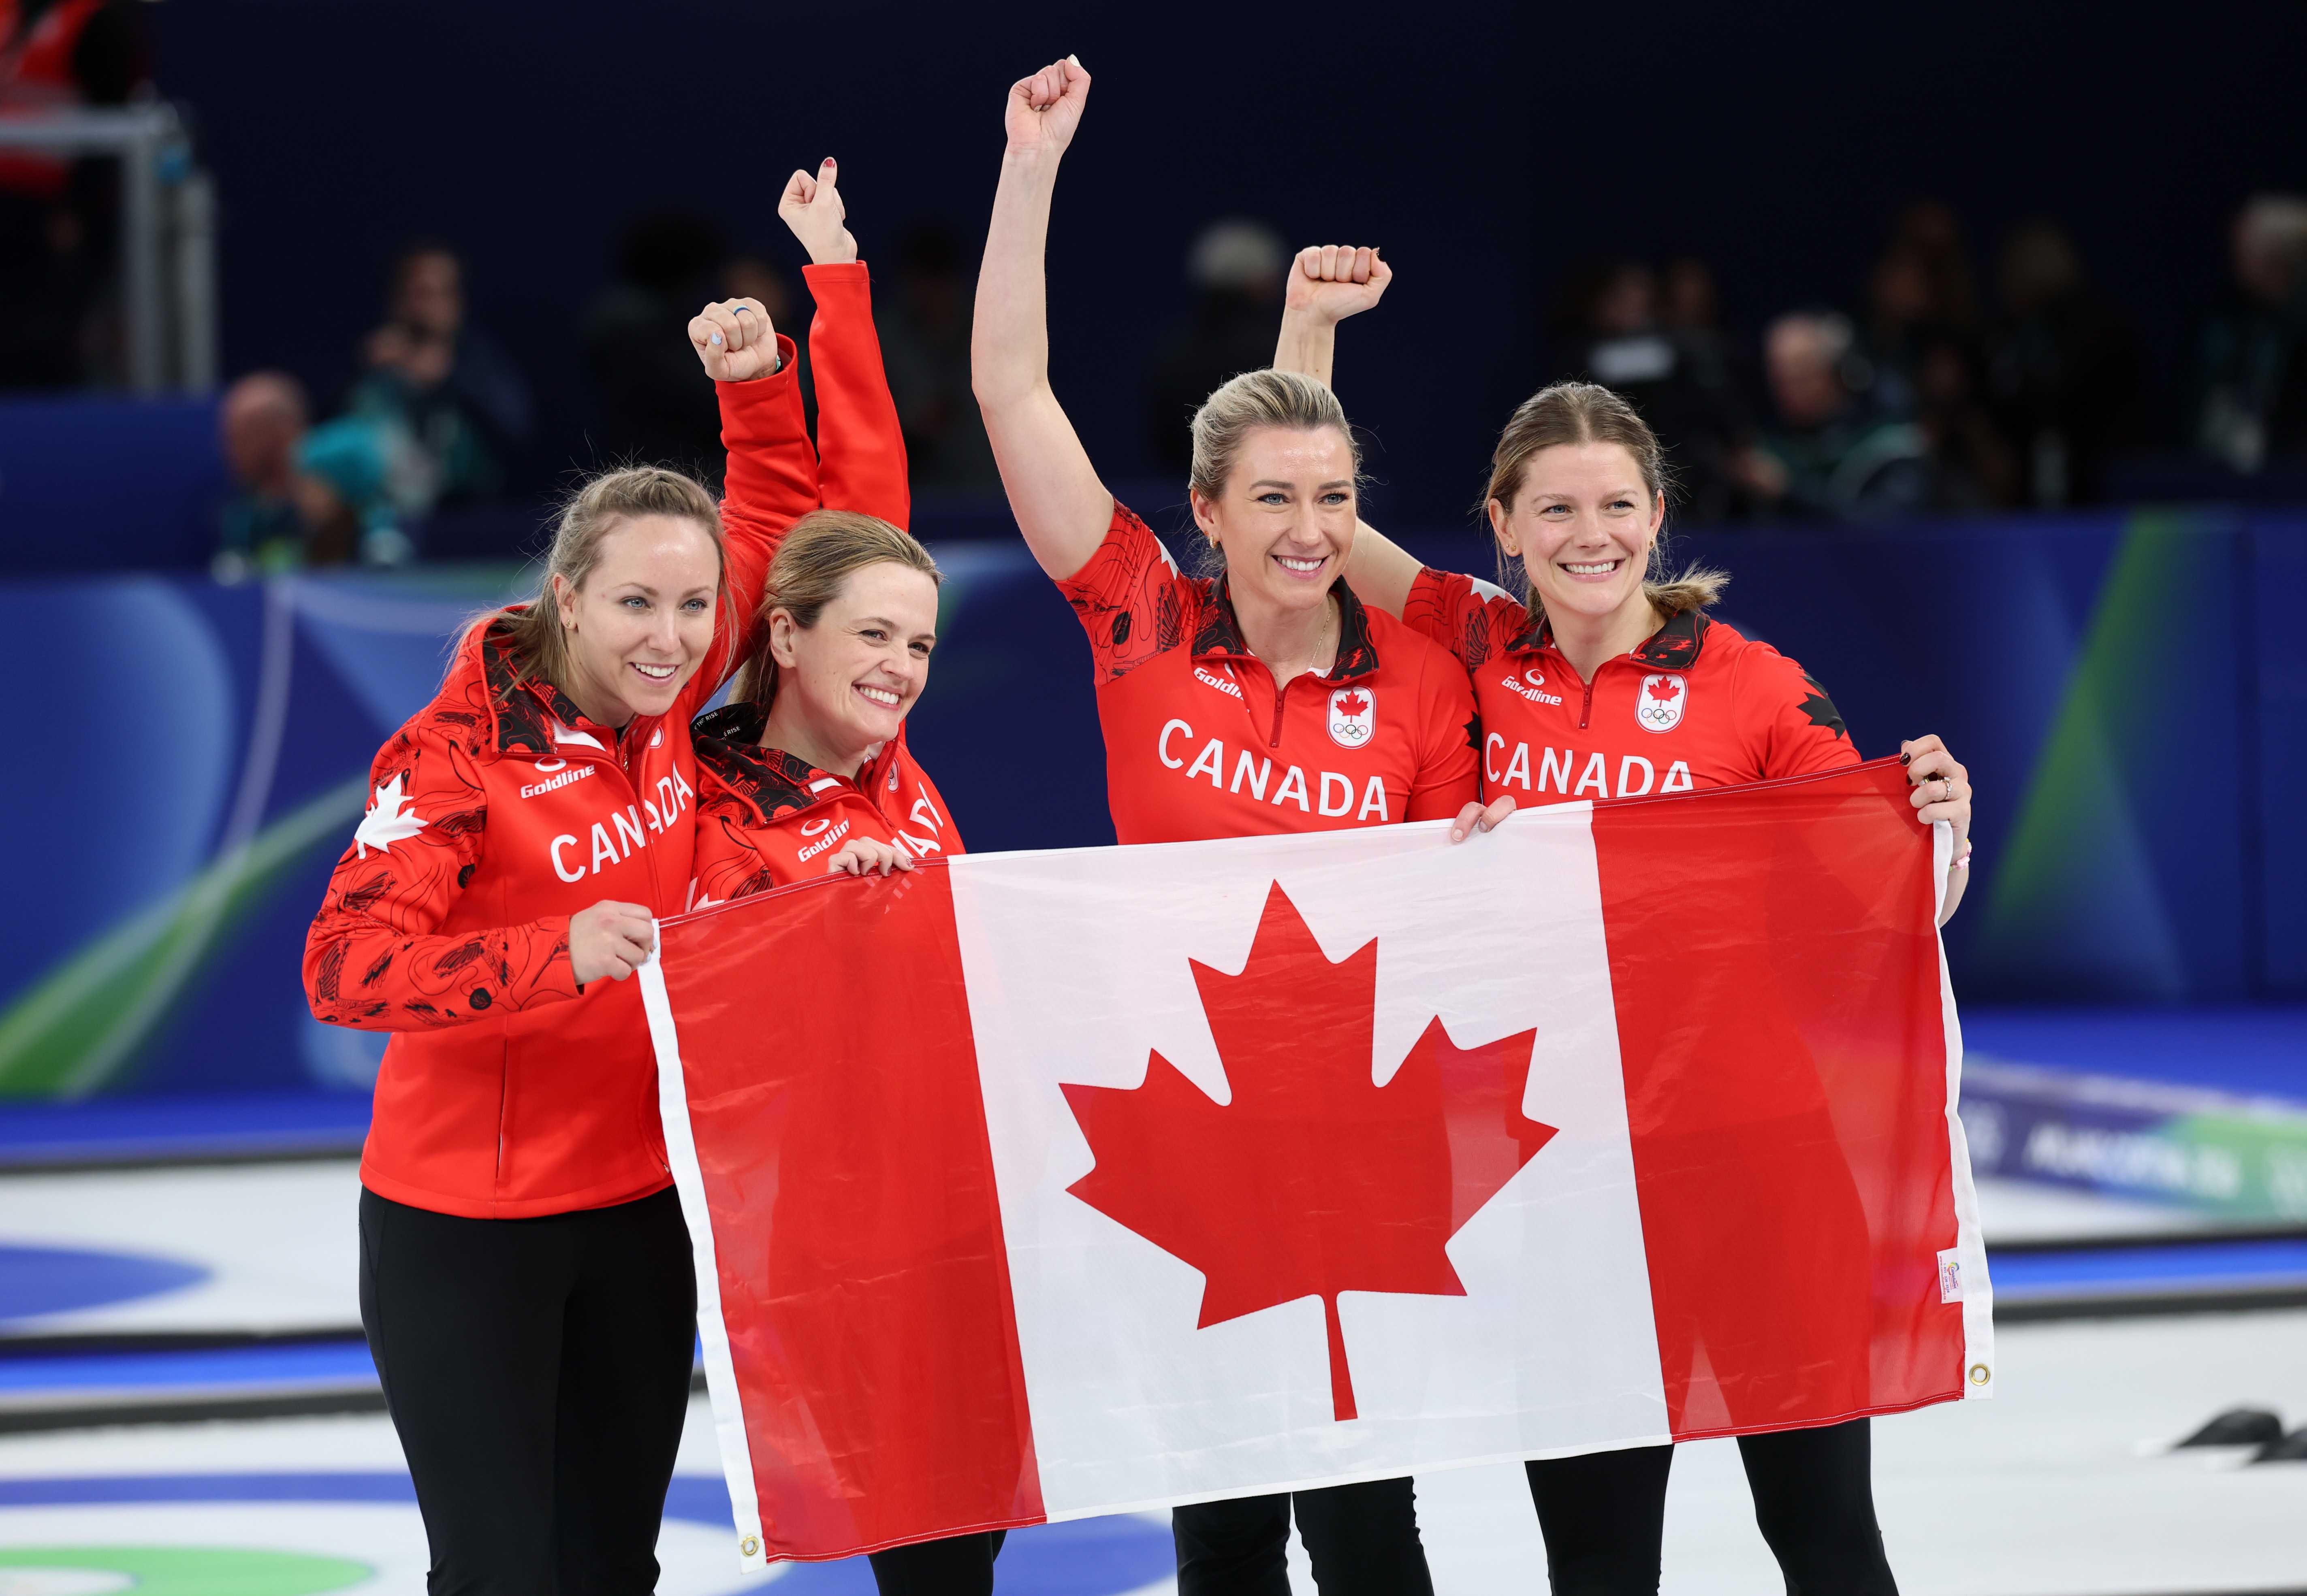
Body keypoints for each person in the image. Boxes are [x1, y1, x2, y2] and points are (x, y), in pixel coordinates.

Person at [1277, 245, 1977, 1596]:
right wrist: (1309, 331)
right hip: (1567, 1183)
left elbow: (1893, 904)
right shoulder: (1473, 650)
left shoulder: (1756, 688)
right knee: (1597, 1563)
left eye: (1613, 507)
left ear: (1657, 515)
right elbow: (1306, 530)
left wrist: (1941, 829)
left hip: (1758, 1167)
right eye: (1552, 510)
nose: (1585, 536)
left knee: (1825, 1543)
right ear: (1500, 523)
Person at [301, 162, 902, 1594]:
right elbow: (342, 969)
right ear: (566, 597)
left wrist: (769, 371)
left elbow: (788, 517)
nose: (673, 637)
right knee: (502, 1576)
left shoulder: (676, 706)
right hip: (462, 1236)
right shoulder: (454, 752)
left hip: (640, 1211)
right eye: (637, 603)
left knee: (612, 1571)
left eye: (694, 610)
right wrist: (550, 952)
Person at [971, 58, 1505, 1596]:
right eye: (1269, 498)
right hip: (1186, 1116)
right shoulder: (1141, 623)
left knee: (1363, 1518)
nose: (1304, 529)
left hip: (1360, 1127)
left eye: (1332, 497)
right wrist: (1031, 167)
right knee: (1220, 1519)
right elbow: (1013, 392)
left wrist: (1309, 342)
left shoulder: (1419, 673)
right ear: (1201, 512)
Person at [348, 239, 536, 510]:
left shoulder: (479, 362)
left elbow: (518, 432)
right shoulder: (373, 367)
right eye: (424, 294)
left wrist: (450, 381)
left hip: (465, 519)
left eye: (446, 293)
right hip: (382, 519)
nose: (436, 306)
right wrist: (362, 369)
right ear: (399, 301)